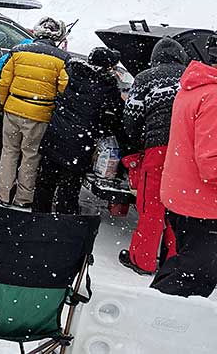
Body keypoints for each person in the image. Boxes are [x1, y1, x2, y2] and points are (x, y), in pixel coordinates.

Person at [151, 37, 217, 298]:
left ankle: (152, 308)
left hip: (185, 197)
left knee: (185, 266)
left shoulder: (196, 87)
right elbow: (211, 164)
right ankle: (148, 318)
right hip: (204, 206)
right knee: (196, 275)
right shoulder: (213, 97)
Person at [119, 37, 188, 275]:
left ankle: (143, 260)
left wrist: (138, 140)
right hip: (187, 153)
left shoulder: (146, 77)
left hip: (158, 149)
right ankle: (175, 261)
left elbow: (131, 118)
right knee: (179, 208)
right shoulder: (191, 76)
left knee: (152, 206)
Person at [33, 48, 123, 215]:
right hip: (78, 143)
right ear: (108, 68)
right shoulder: (107, 86)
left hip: (55, 135)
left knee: (45, 182)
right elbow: (117, 112)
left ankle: (38, 217)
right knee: (69, 187)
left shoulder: (75, 75)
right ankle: (65, 223)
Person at [0, 17, 70, 208]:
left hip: (13, 108)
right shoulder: (62, 59)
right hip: (40, 113)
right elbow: (64, 88)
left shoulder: (18, 52)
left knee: (9, 152)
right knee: (31, 155)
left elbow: (4, 82)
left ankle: (4, 194)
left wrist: (3, 104)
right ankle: (24, 198)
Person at [0, 40, 32, 177]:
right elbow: (2, 82)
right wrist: (1, 103)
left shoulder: (9, 57)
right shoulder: (13, 60)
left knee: (1, 137)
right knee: (2, 137)